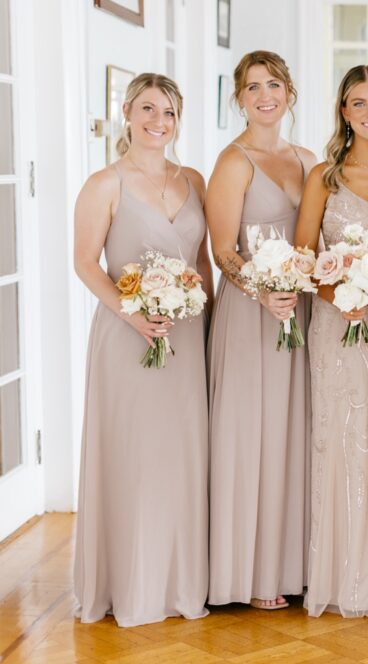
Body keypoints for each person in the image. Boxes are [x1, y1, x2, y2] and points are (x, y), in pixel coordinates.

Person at [73, 73, 212, 627]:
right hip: (126, 339)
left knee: (181, 458)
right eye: (148, 109)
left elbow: (202, 264)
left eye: (170, 113)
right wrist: (133, 315)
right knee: (133, 457)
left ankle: (180, 585)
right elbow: (86, 262)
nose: (159, 122)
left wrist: (209, 321)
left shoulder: (195, 179)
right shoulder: (104, 183)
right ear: (127, 112)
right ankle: (129, 587)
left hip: (186, 341)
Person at [294, 65, 368, 617]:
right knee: (339, 435)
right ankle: (341, 573)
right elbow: (302, 257)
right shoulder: (324, 176)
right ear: (343, 111)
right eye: (359, 103)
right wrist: (338, 289)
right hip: (335, 323)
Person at [206, 50, 316, 610]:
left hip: (299, 309)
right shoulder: (233, 161)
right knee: (250, 433)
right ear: (239, 98)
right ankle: (247, 572)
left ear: (289, 92)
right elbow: (222, 250)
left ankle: (289, 565)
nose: (264, 95)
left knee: (291, 432)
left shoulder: (307, 159)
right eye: (252, 88)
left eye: (274, 84)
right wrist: (261, 289)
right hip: (250, 314)